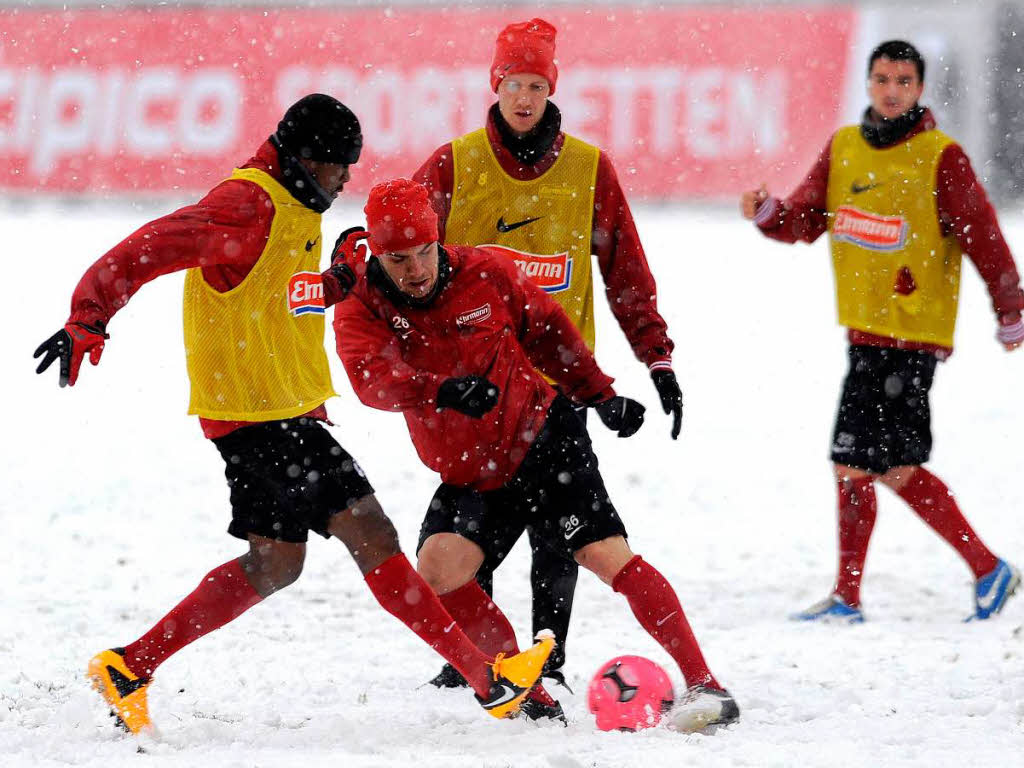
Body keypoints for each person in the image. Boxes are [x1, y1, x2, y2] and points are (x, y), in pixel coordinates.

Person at [33, 94, 553, 735]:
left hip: (258, 418)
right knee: (374, 536)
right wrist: (89, 315)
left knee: (274, 563)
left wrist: (340, 273)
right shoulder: (246, 205)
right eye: (338, 172)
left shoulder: (291, 206)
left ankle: (129, 667)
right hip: (264, 420)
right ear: (308, 160)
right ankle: (489, 680)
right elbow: (148, 246)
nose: (341, 186)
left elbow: (289, 296)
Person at [332, 178, 738, 732]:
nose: (417, 269)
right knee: (438, 571)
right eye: (400, 259)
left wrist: (601, 394)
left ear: (438, 240)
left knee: (605, 555)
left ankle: (705, 682)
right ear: (377, 253)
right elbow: (368, 380)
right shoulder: (362, 305)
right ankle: (528, 692)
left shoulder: (484, 271)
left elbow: (549, 330)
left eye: (425, 252)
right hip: (473, 473)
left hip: (546, 442)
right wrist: (438, 390)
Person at [412, 17, 683, 693]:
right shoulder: (455, 163)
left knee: (556, 532)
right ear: (494, 85)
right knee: (473, 527)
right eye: (514, 83)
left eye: (537, 84)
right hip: (479, 388)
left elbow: (627, 275)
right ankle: (474, 653)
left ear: (552, 88)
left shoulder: (589, 169)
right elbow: (400, 241)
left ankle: (548, 655)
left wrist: (658, 360)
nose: (525, 97)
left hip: (558, 388)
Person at [740, 41, 1023, 623]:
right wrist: (769, 213)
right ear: (868, 84)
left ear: (919, 89)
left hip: (913, 340)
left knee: (883, 464)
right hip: (865, 336)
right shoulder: (845, 148)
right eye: (882, 79)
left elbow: (983, 236)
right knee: (860, 464)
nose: (891, 89)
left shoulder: (941, 157)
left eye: (903, 80)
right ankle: (855, 596)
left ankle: (986, 569)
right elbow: (805, 220)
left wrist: (1010, 306)